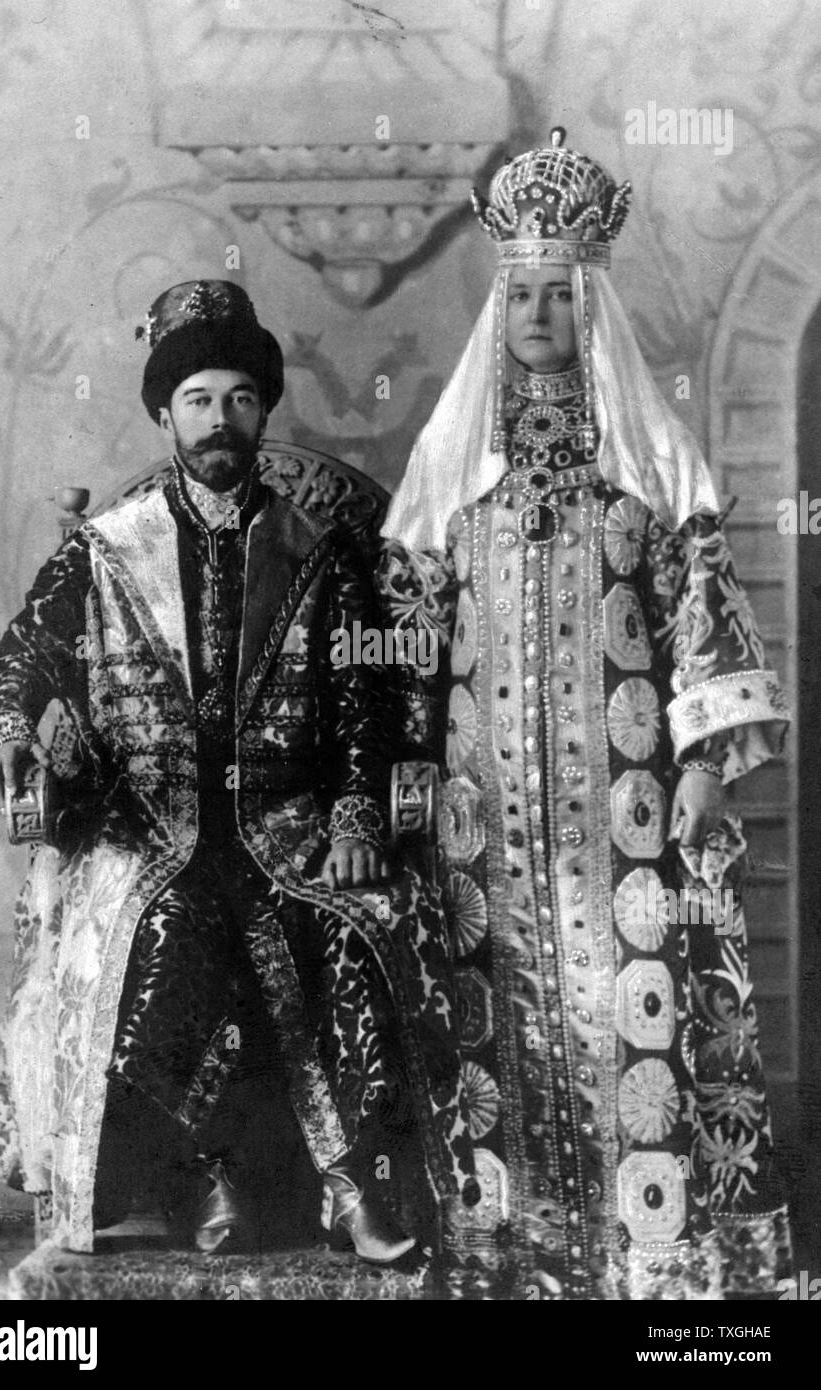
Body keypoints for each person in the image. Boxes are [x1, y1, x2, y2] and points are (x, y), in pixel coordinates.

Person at [0, 279, 474, 1263]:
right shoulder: (108, 551)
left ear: (262, 409)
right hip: (146, 820)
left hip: (286, 819)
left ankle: (350, 1187)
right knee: (163, 939)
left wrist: (360, 817)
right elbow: (32, 648)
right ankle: (209, 1172)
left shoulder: (318, 551)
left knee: (338, 932)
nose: (219, 419)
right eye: (198, 399)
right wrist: (14, 734)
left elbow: (362, 696)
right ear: (164, 412)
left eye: (239, 397)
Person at [377, 131, 793, 1299]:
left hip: (625, 815)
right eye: (521, 294)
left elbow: (705, 624)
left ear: (591, 308)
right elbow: (401, 641)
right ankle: (508, 1253)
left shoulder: (647, 474)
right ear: (498, 307)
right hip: (484, 820)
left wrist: (705, 760)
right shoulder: (452, 479)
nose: (539, 315)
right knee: (490, 1023)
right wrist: (405, 768)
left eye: (563, 295)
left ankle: (647, 1268)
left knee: (632, 1015)